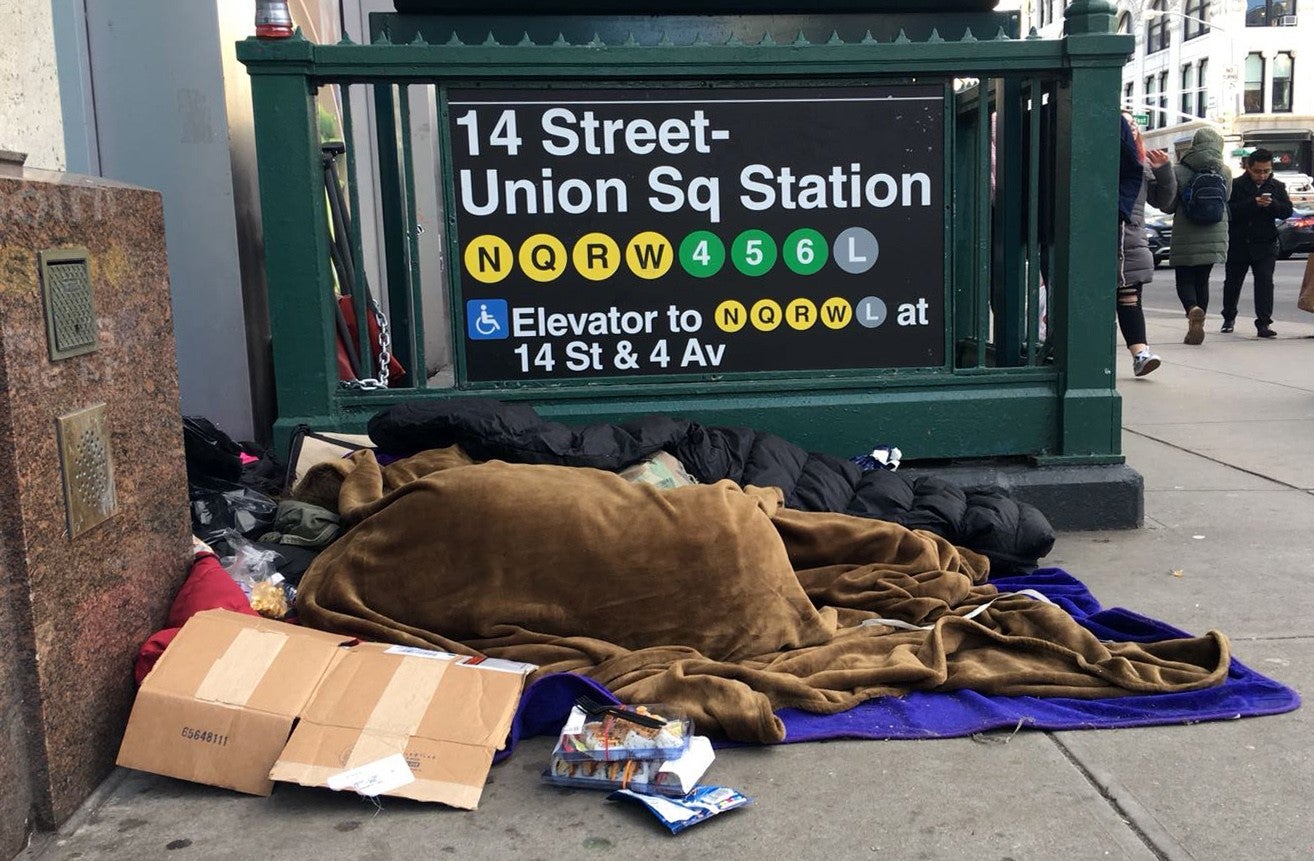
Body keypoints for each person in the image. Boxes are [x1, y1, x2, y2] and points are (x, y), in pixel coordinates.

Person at [1117, 116, 1176, 377]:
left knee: (1129, 300)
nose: (1131, 127)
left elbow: (1164, 201)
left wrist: (1164, 169)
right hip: (1097, 244)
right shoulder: (1101, 159)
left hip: (1130, 243)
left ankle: (1141, 354)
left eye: (1133, 124)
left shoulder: (1142, 164)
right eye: (1124, 123)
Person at [1165, 127, 1233, 345]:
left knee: (1184, 277)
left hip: (1186, 229)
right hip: (1215, 230)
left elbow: (1170, 203)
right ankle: (1198, 322)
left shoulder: (1179, 170)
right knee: (1202, 280)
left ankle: (1192, 309)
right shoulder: (1225, 170)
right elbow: (1226, 198)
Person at [1220, 148, 1294, 338]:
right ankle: (1228, 316)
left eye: (1266, 171)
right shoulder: (1235, 185)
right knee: (1233, 282)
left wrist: (1272, 205)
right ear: (1248, 168)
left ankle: (1264, 323)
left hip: (1265, 243)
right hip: (1239, 242)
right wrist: (1253, 203)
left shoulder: (1277, 186)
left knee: (1265, 283)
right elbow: (1229, 211)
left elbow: (1286, 211)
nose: (1262, 175)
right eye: (1258, 171)